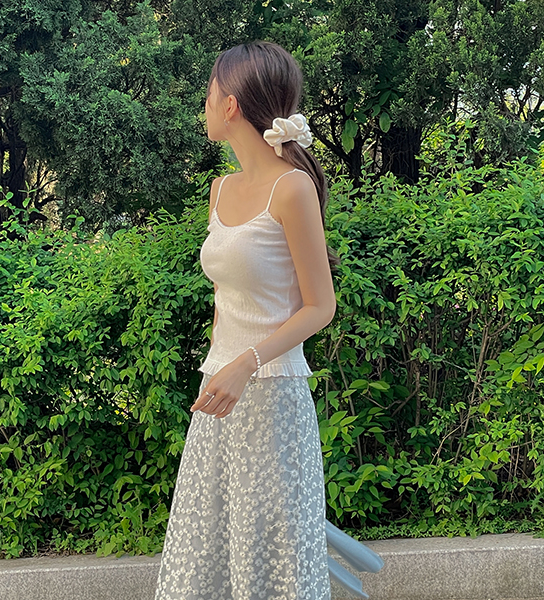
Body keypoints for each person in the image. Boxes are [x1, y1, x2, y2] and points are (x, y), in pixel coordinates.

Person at [154, 40, 340, 599]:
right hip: (219, 397)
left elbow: (320, 306)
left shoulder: (292, 188)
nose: (204, 106)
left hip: (274, 400)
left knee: (273, 560)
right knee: (204, 555)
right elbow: (226, 300)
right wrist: (221, 367)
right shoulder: (221, 190)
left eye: (209, 94)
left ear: (231, 105)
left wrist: (246, 364)